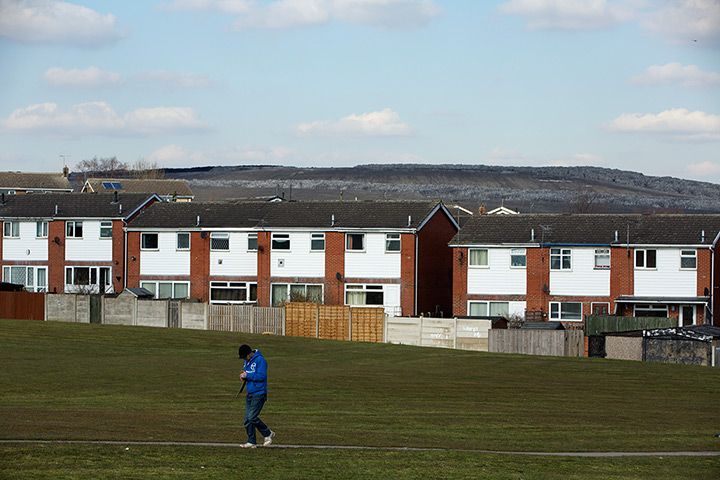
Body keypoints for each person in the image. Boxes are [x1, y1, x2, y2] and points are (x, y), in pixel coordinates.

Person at [238, 344, 274, 448]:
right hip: (250, 392)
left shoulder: (260, 360)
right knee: (247, 420)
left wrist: (248, 376)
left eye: (244, 356)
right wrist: (245, 377)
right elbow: (248, 373)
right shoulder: (247, 361)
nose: (244, 359)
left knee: (251, 417)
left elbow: (262, 376)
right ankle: (251, 441)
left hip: (259, 393)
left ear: (250, 354)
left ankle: (268, 433)